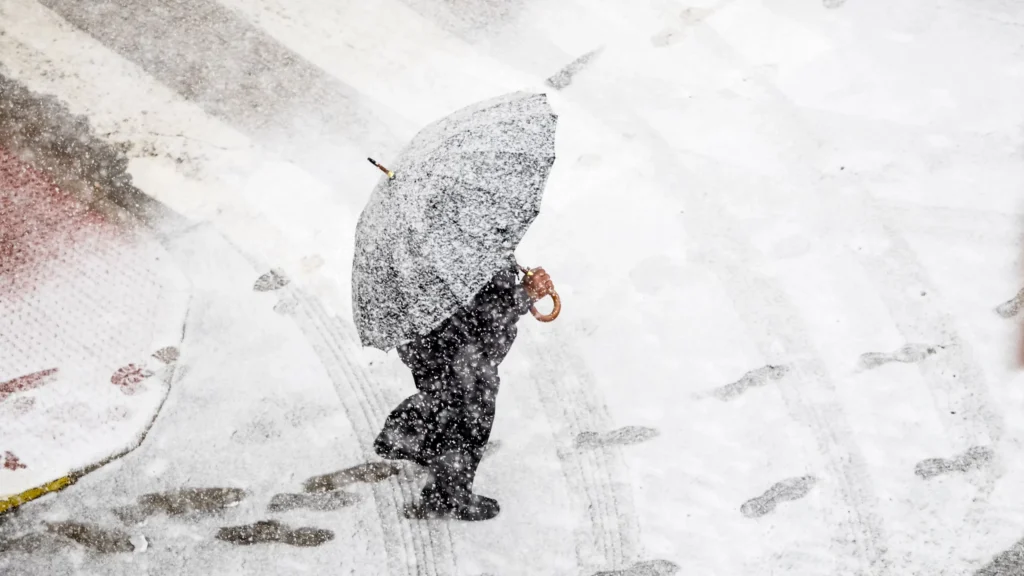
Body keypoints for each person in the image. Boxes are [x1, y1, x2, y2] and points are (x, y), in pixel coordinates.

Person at [373, 263, 555, 521]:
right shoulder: (465, 246)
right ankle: (447, 496)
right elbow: (479, 318)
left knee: (442, 393)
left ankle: (406, 434)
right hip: (457, 349)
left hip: (424, 341)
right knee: (470, 412)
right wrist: (524, 294)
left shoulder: (428, 248)